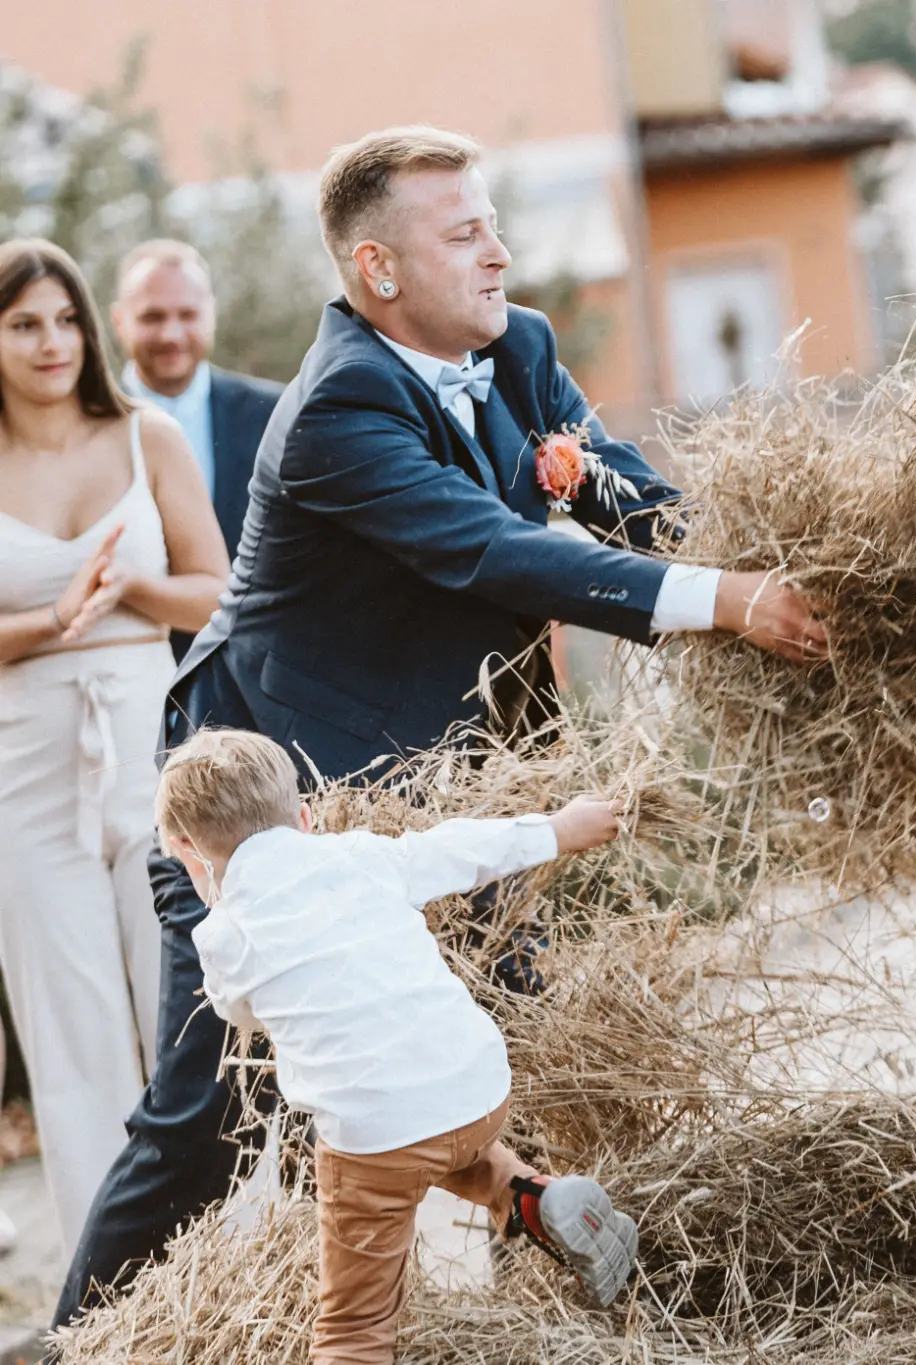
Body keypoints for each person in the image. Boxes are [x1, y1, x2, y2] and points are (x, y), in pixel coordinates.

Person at [54, 125, 825, 1326]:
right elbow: (492, 549)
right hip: (266, 801)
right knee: (211, 1109)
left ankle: (582, 1310)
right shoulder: (334, 413)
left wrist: (794, 573)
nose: (500, 256)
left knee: (506, 1038)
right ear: (378, 270)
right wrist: (723, 606)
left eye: (495, 226)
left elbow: (611, 485)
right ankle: (73, 1343)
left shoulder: (518, 346)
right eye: (464, 236)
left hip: (453, 784)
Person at [155, 728, 639, 1363]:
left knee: (353, 1329)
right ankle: (536, 1197)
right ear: (304, 817)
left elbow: (235, 1011)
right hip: (478, 1092)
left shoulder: (225, 932)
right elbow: (461, 847)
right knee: (439, 1142)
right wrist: (560, 827)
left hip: (377, 1140)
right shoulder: (360, 854)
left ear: (189, 854)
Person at [0, 240, 230, 1257]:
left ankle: (226, 1255)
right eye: (22, 323)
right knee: (73, 1029)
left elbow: (217, 589)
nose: (52, 343)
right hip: (21, 759)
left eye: (64, 319)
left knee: (186, 1000)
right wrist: (52, 621)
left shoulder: (149, 436)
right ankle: (114, 1287)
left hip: (148, 741)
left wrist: (127, 592)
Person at [110, 239, 284, 657]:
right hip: (130, 662)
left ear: (211, 315)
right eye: (152, 316)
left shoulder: (276, 413)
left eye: (187, 315)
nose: (171, 334)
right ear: (119, 321)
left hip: (254, 667)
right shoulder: (87, 425)